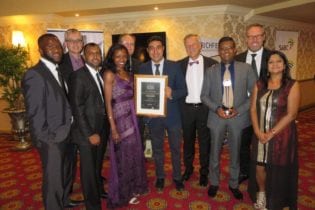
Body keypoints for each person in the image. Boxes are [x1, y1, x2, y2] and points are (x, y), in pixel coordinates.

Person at [201, 36, 256, 200]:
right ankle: (214, 182)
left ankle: (233, 184)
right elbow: (204, 96)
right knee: (214, 153)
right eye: (222, 48)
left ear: (235, 50)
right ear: (219, 51)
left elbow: (254, 94)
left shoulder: (246, 69)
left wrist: (238, 110)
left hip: (237, 118)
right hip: (216, 117)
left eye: (229, 48)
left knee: (236, 153)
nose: (226, 51)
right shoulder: (210, 71)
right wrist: (216, 108)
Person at [22, 33, 73, 210]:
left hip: (66, 134)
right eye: (50, 46)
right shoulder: (35, 74)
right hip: (51, 139)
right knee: (53, 181)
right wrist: (45, 141)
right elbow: (35, 113)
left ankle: (64, 202)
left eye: (58, 45)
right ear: (40, 50)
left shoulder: (59, 71)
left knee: (65, 174)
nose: (56, 49)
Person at [248, 50, 300, 210]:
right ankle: (262, 193)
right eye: (271, 62)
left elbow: (291, 114)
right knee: (259, 166)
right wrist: (257, 132)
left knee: (277, 168)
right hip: (259, 133)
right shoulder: (259, 84)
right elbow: (253, 110)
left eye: (279, 61)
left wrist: (270, 134)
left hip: (281, 135)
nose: (275, 64)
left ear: (284, 65)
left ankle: (276, 199)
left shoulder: (292, 85)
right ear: (267, 66)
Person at [139, 36, 187, 191]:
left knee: (175, 149)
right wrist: (146, 114)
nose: (155, 51)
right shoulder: (143, 68)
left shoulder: (175, 67)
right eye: (151, 48)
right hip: (154, 119)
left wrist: (172, 93)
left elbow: (184, 90)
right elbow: (140, 94)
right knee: (157, 149)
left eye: (158, 47)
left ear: (163, 48)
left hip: (173, 117)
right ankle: (160, 176)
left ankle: (177, 177)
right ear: (147, 51)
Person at [103, 44, 148, 208]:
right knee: (123, 158)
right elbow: (107, 103)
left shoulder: (128, 74)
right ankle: (123, 192)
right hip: (120, 121)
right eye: (117, 56)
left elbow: (135, 96)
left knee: (134, 155)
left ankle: (132, 188)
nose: (121, 59)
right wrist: (113, 128)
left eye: (124, 56)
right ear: (112, 58)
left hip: (133, 119)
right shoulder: (109, 75)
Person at [68, 43, 109, 210]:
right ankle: (93, 205)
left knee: (97, 165)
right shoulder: (78, 76)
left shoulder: (100, 74)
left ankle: (98, 191)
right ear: (84, 57)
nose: (95, 56)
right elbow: (76, 108)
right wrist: (90, 133)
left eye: (98, 53)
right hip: (87, 133)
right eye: (91, 53)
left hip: (101, 128)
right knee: (89, 171)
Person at [178, 34, 217, 186]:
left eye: (194, 44)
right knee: (187, 142)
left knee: (204, 143)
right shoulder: (179, 64)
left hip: (205, 109)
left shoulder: (212, 64)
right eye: (187, 45)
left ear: (200, 45)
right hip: (186, 109)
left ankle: (204, 172)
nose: (191, 48)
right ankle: (188, 170)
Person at [235, 23, 271, 184]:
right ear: (246, 39)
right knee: (242, 143)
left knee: (265, 144)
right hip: (243, 109)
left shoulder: (274, 57)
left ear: (264, 37)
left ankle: (266, 173)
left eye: (258, 35)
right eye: (250, 36)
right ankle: (244, 171)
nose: (254, 39)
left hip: (266, 110)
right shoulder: (237, 59)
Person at [59, 28, 85, 206]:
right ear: (66, 43)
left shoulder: (87, 60)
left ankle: (91, 182)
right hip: (69, 119)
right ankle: (64, 194)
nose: (75, 44)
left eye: (78, 40)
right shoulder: (60, 63)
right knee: (68, 159)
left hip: (85, 117)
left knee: (85, 154)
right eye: (72, 40)